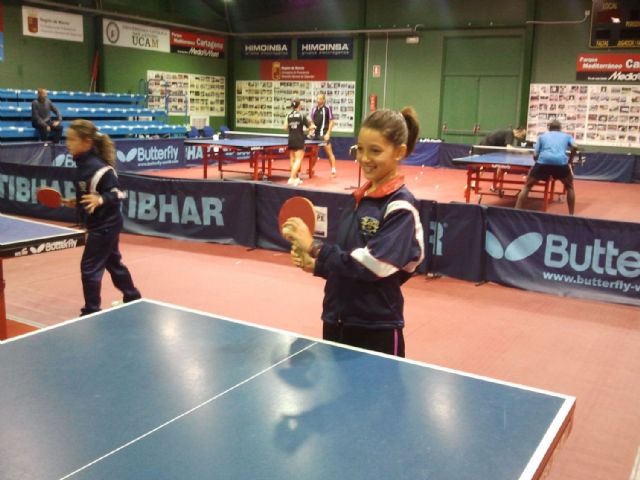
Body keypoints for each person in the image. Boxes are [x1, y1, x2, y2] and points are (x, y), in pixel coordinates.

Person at [282, 107, 425, 357]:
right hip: (336, 320)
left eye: (375, 151)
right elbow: (348, 259)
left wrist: (315, 247)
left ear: (399, 152)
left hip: (375, 328)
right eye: (360, 149)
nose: (364, 158)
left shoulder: (400, 207)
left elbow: (372, 266)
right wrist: (316, 266)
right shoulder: (358, 199)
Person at [64, 119, 141, 316]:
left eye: (72, 139)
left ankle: (91, 311)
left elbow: (118, 193)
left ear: (87, 142)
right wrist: (77, 201)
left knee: (89, 267)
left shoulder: (100, 169)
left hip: (105, 225)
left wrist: (100, 200)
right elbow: (90, 192)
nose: (67, 143)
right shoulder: (82, 165)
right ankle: (132, 296)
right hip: (102, 222)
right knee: (112, 262)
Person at [515, 119, 578, 215]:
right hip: (560, 163)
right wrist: (570, 160)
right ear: (560, 128)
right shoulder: (567, 136)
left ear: (549, 128)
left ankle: (516, 211)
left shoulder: (542, 137)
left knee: (527, 186)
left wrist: (538, 163)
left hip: (543, 162)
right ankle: (571, 214)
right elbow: (575, 146)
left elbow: (535, 155)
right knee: (569, 186)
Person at [285, 98, 315, 186]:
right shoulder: (301, 115)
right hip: (299, 139)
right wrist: (312, 127)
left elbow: (285, 127)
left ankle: (294, 178)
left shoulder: (288, 115)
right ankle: (291, 178)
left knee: (292, 159)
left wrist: (293, 128)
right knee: (298, 159)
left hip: (291, 138)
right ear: (299, 106)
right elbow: (310, 127)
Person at [311, 93, 338, 177]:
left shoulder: (327, 109)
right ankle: (311, 169)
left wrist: (328, 133)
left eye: (320, 99)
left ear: (323, 100)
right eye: (317, 98)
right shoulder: (313, 109)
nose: (318, 100)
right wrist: (311, 130)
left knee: (329, 153)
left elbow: (332, 122)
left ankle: (333, 171)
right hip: (315, 136)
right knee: (314, 153)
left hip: (324, 135)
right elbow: (312, 121)